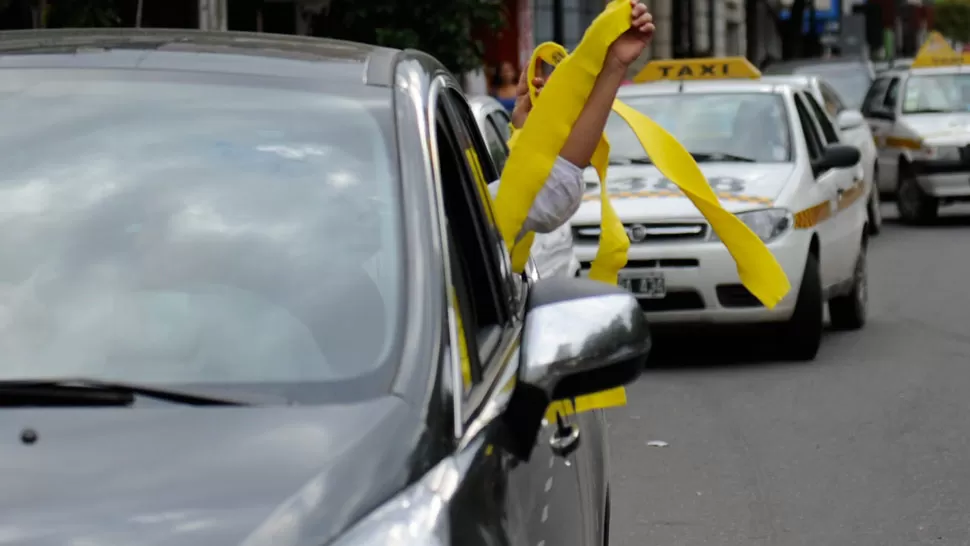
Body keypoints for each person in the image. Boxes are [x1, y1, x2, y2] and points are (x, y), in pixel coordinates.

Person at [489, 0, 655, 240]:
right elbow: (550, 191)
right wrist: (613, 67)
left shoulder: (438, 215)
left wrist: (531, 133)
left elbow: (546, 190)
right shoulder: (442, 218)